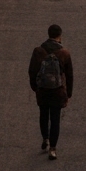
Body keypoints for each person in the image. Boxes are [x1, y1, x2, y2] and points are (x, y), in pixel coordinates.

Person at [28, 24, 74, 159]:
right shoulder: (65, 53)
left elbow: (32, 70)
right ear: (60, 36)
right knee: (55, 118)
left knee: (43, 114)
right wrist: (69, 93)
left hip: (42, 89)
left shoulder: (38, 51)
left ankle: (45, 138)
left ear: (48, 34)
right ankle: (53, 148)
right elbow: (69, 75)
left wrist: (34, 86)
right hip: (58, 91)